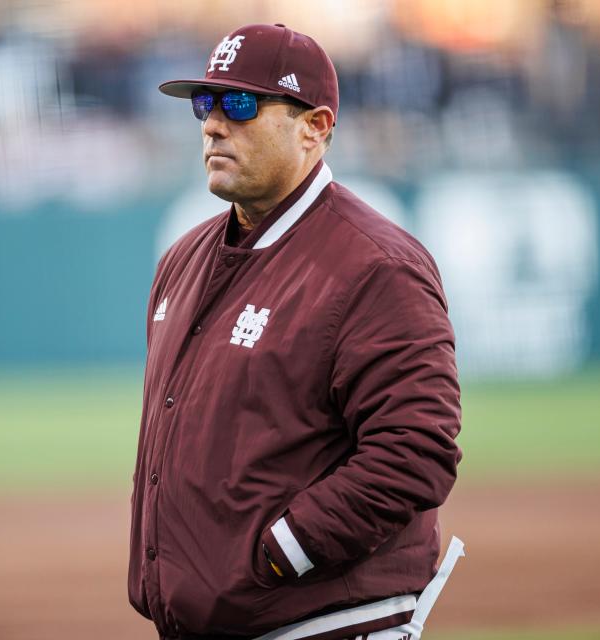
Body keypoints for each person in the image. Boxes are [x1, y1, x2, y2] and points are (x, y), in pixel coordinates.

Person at [128, 23, 464, 640]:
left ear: (315, 127)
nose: (212, 124)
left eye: (241, 104)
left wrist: (282, 552)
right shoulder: (183, 259)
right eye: (206, 103)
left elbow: (415, 452)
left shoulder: (375, 265)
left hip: (327, 624)